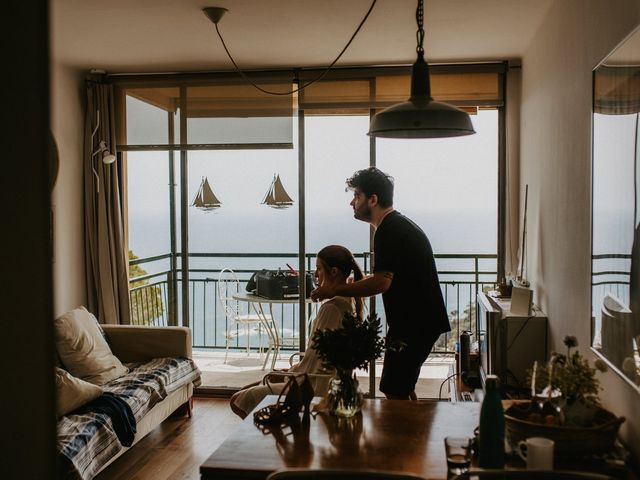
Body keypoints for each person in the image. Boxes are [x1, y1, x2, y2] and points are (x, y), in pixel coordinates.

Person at [310, 166, 450, 400]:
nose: (352, 203)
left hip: (415, 325)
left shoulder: (389, 230)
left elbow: (382, 283)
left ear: (373, 199)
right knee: (401, 388)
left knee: (394, 389)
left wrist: (334, 289)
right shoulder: (397, 226)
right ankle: (413, 434)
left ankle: (407, 435)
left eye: (357, 196)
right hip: (420, 323)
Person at [230, 245, 364, 418]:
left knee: (236, 400)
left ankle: (272, 429)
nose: (315, 274)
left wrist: (292, 373)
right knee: (247, 390)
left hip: (313, 386)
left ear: (334, 272)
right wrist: (292, 370)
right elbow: (320, 359)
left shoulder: (331, 309)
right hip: (318, 379)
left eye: (318, 269)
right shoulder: (347, 304)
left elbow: (317, 360)